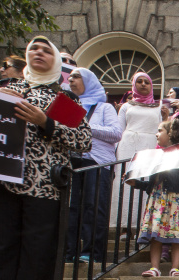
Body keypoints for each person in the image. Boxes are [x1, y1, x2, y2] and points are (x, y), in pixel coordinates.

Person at [0, 37, 92, 280]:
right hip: (3, 179)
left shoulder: (63, 98)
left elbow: (82, 140)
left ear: (56, 61)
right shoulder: (4, 90)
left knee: (37, 248)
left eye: (47, 50)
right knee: (2, 245)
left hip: (43, 183)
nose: (39, 53)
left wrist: (44, 120)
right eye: (34, 48)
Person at [126, 118, 179, 277]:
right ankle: (154, 268)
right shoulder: (156, 155)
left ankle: (175, 268)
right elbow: (150, 185)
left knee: (176, 235)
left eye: (160, 131)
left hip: (176, 201)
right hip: (158, 200)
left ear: (171, 134)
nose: (156, 134)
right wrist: (136, 183)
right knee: (155, 235)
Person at [65, 67, 122, 264]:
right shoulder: (70, 105)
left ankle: (92, 253)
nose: (71, 79)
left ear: (89, 81)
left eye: (76, 76)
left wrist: (84, 125)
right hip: (73, 161)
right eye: (70, 77)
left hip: (97, 163)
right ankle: (69, 251)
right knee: (72, 208)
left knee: (94, 206)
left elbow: (116, 133)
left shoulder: (104, 108)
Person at [116, 72, 169, 230]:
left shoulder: (160, 106)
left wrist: (166, 117)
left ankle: (144, 225)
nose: (143, 84)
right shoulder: (126, 106)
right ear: (134, 85)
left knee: (146, 183)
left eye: (147, 81)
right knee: (127, 185)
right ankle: (124, 225)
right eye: (139, 81)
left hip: (150, 146)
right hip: (127, 147)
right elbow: (119, 130)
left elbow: (165, 130)